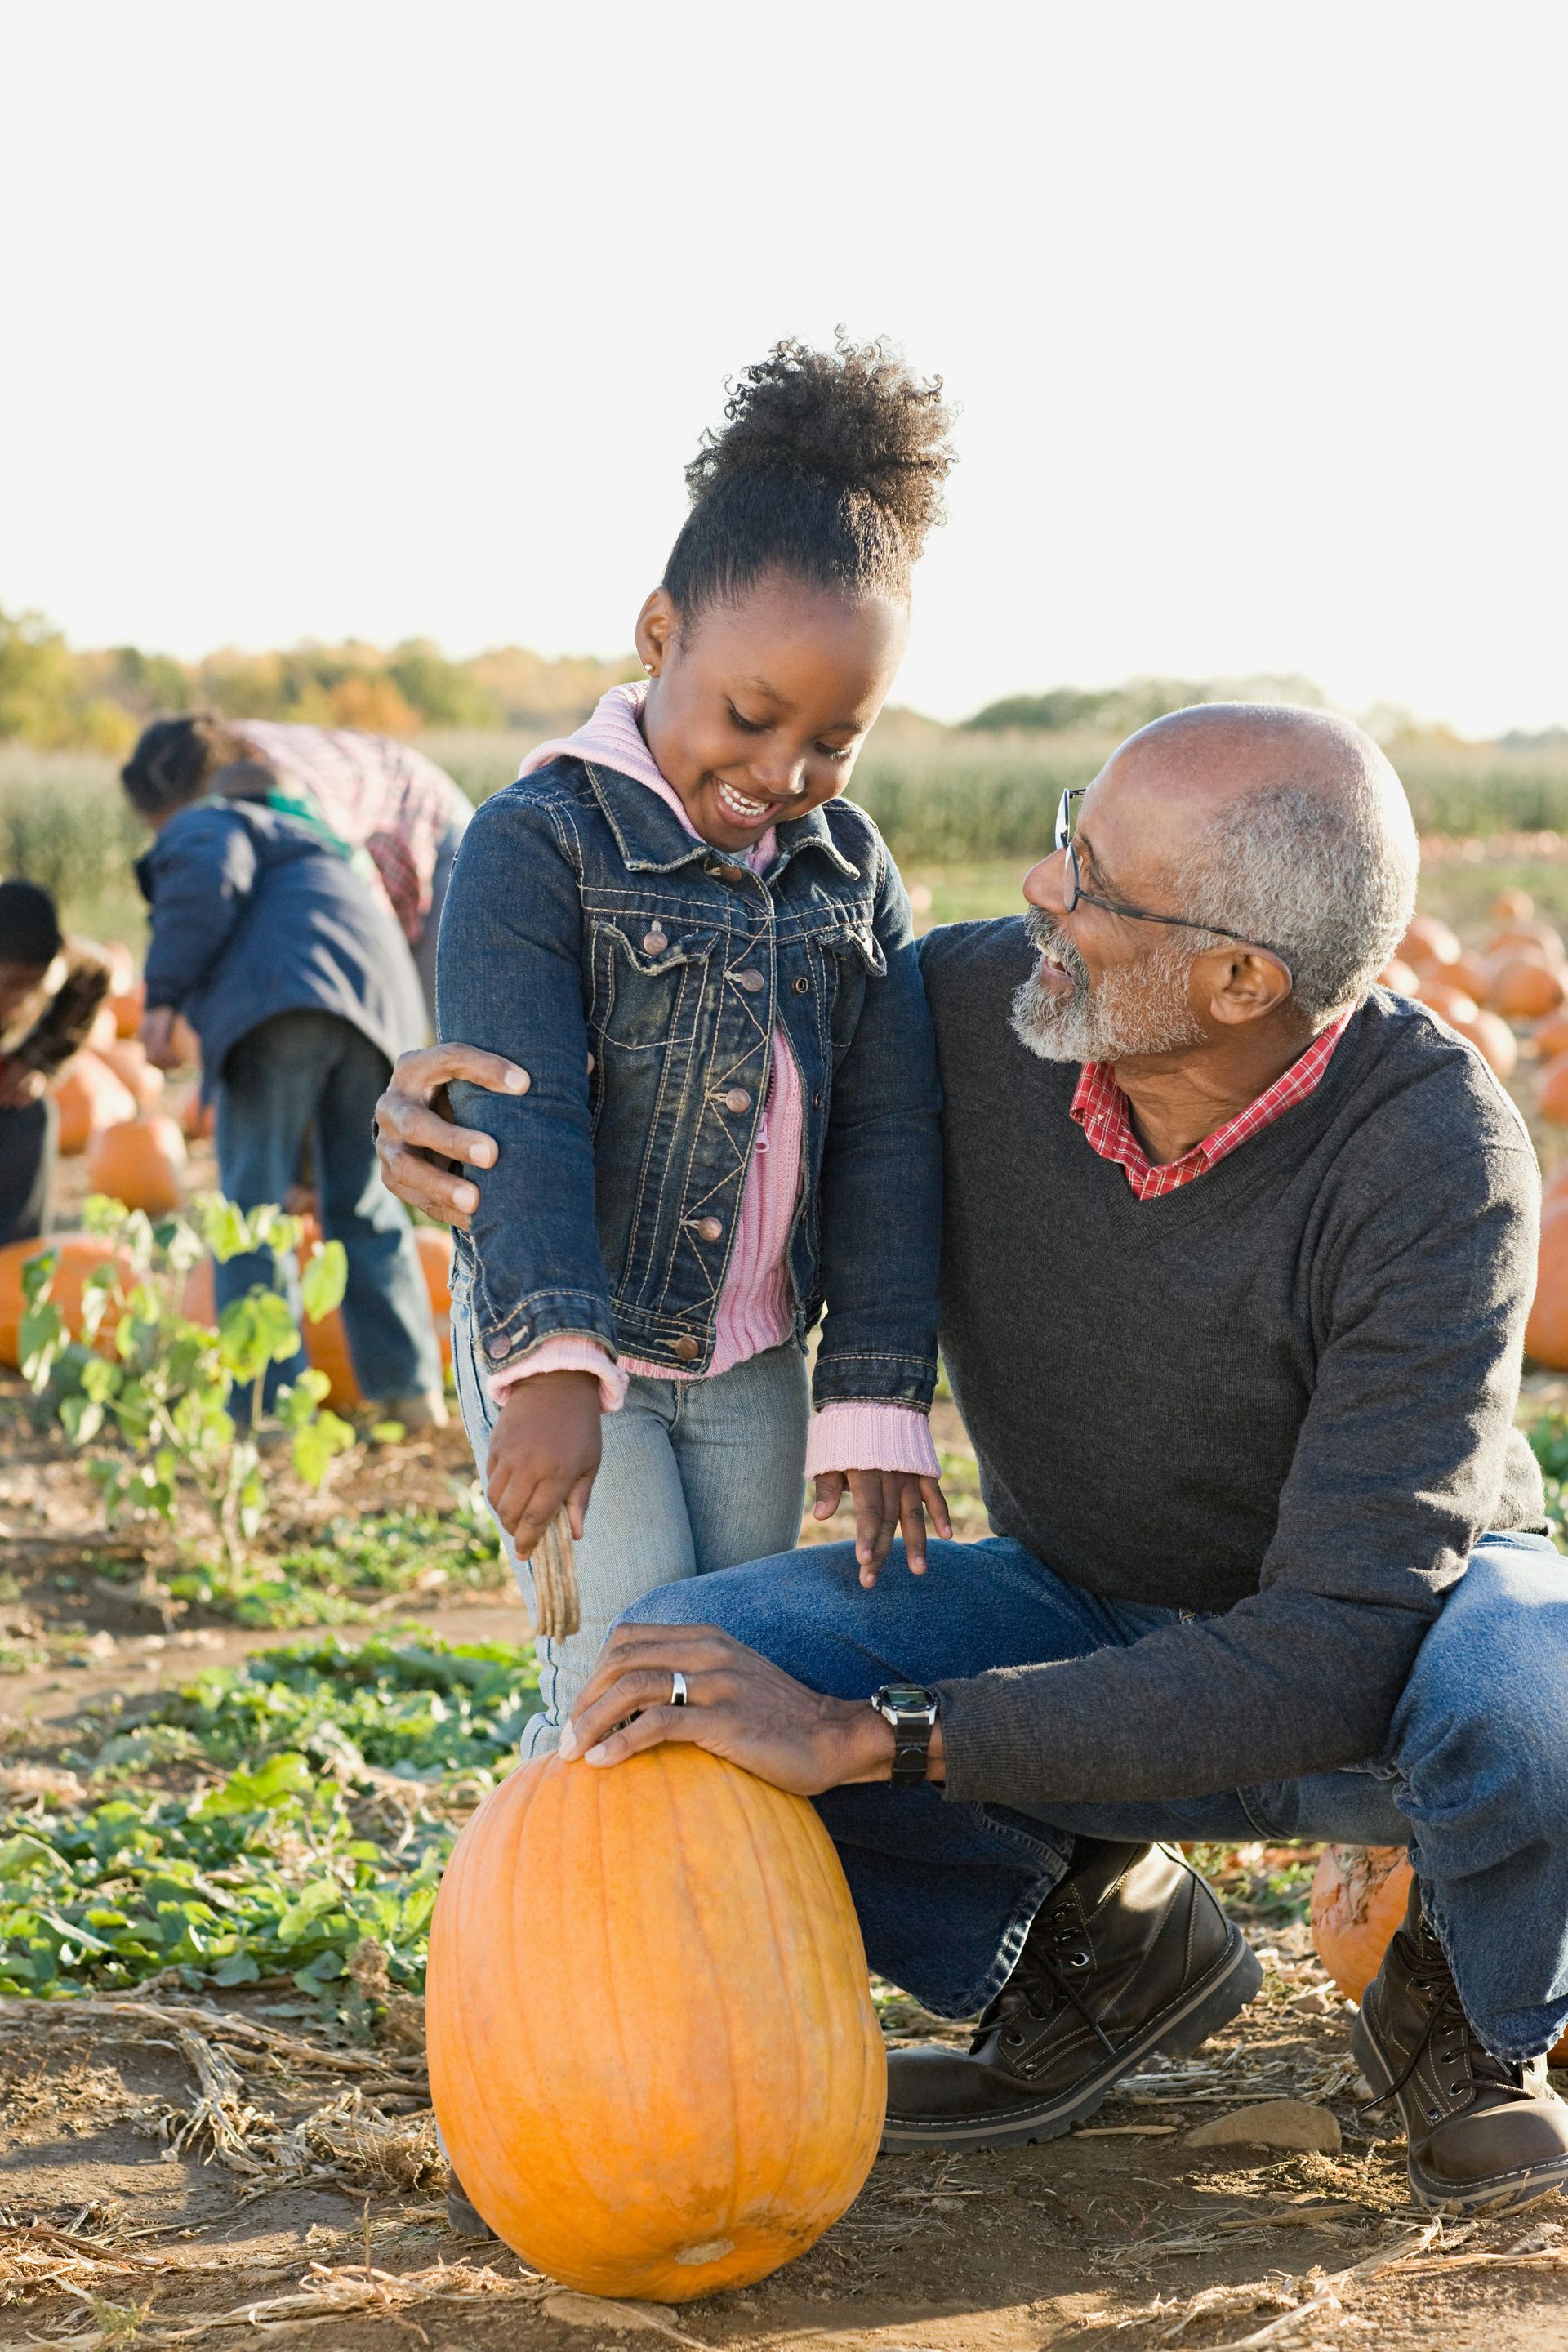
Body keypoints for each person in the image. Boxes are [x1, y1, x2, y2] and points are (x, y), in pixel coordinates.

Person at [380, 702, 1568, 2218]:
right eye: (1073, 829)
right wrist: (457, 1125)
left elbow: (1336, 1650)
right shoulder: (962, 1012)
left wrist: (890, 1734)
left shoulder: (1436, 1154)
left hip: (1390, 1648)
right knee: (696, 1666)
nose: (1038, 887)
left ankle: (1472, 2006)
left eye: (1092, 877)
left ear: (1239, 980)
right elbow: (658, 1071)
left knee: (1537, 1696)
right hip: (1089, 1597)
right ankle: (1105, 1943)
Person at [425, 338, 956, 1751]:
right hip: (584, 1345)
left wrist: (876, 1396)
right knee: (627, 1683)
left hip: (757, 1365)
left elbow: (893, 1139)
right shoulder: (536, 846)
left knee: (731, 1679)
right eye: (751, 715)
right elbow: (513, 1116)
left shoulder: (848, 869)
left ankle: (713, 1965)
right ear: (660, 633)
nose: (783, 774)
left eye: (836, 741)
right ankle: (549, 1964)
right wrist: (543, 1366)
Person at [124, 756, 445, 1426]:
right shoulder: (323, 846)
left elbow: (202, 885)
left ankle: (267, 1406)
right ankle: (409, 1395)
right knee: (365, 1203)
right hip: (380, 1013)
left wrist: (163, 997)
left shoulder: (216, 822)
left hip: (282, 1007)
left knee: (250, 1214)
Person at [120, 715, 471, 1023]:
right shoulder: (222, 770)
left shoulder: (293, 796)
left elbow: (359, 903)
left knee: (448, 1021)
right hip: (370, 838)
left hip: (435, 833)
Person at [0, 880, 112, 1245]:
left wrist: (34, 1062)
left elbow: (96, 975)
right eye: (12, 984)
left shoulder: (68, 961)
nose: (20, 1002)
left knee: (31, 1113)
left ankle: (14, 1266)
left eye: (33, 987)